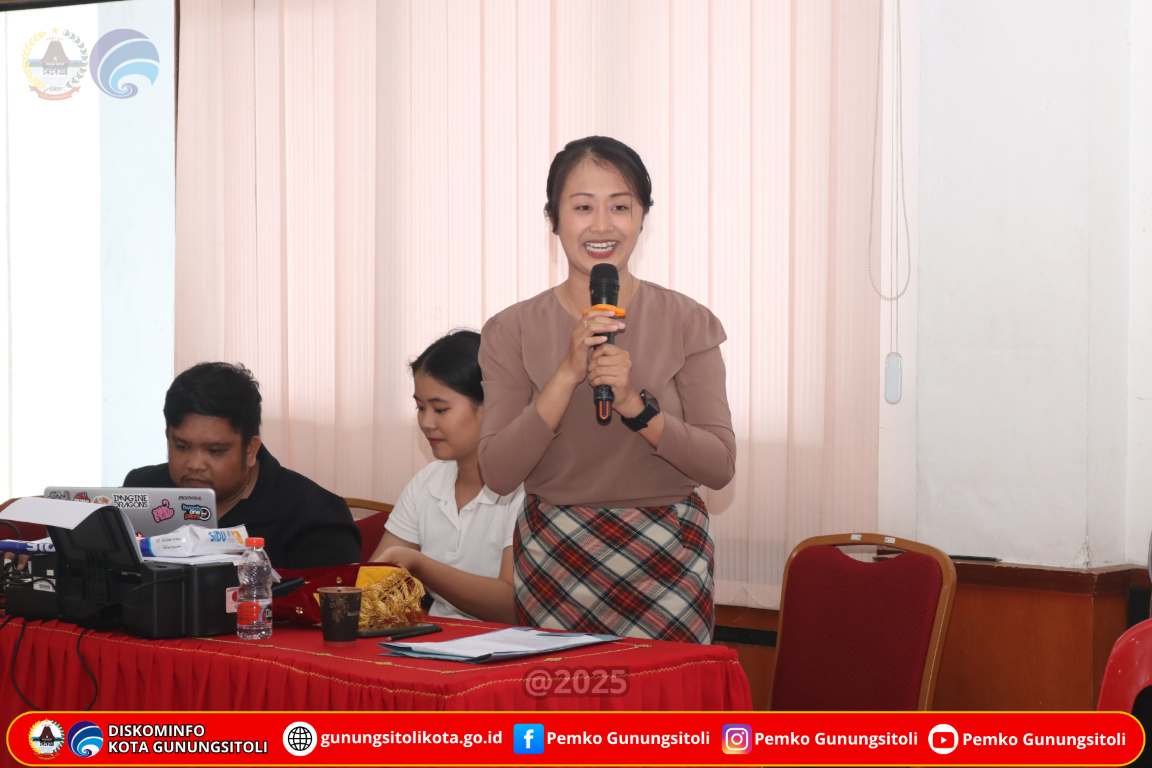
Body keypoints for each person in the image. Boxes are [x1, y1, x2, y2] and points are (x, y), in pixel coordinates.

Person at [478, 136, 736, 644]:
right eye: (582, 207)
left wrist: (636, 408)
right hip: (555, 553)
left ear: (642, 218)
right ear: (553, 219)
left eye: (620, 207)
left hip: (668, 556)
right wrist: (566, 374)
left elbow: (720, 466)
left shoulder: (687, 320)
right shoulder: (511, 329)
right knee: (560, 696)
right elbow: (499, 473)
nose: (602, 225)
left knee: (661, 696)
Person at [123, 362, 361, 570]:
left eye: (215, 451)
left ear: (250, 450)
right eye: (182, 446)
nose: (195, 464)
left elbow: (325, 604)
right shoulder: (141, 490)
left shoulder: (314, 516)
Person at [370, 331, 524, 624]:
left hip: (505, 645)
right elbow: (376, 580)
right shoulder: (428, 482)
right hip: (434, 640)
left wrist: (420, 565)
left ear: (493, 405)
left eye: (440, 409)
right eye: (420, 407)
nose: (426, 423)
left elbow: (512, 606)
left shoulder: (525, 489)